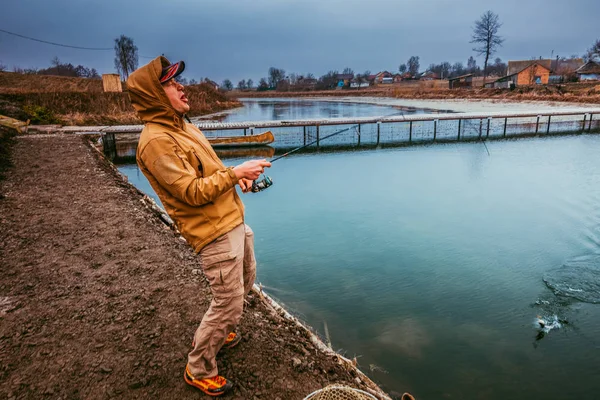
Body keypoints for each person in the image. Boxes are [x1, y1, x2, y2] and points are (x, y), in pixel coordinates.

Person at [127, 56, 271, 396]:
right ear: (154, 94)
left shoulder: (183, 126)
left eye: (178, 81)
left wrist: (237, 179)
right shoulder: (155, 141)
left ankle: (223, 329)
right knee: (228, 302)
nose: (181, 86)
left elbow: (210, 169)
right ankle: (199, 367)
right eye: (171, 83)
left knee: (247, 277)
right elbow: (190, 193)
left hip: (233, 220)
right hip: (212, 233)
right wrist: (236, 174)